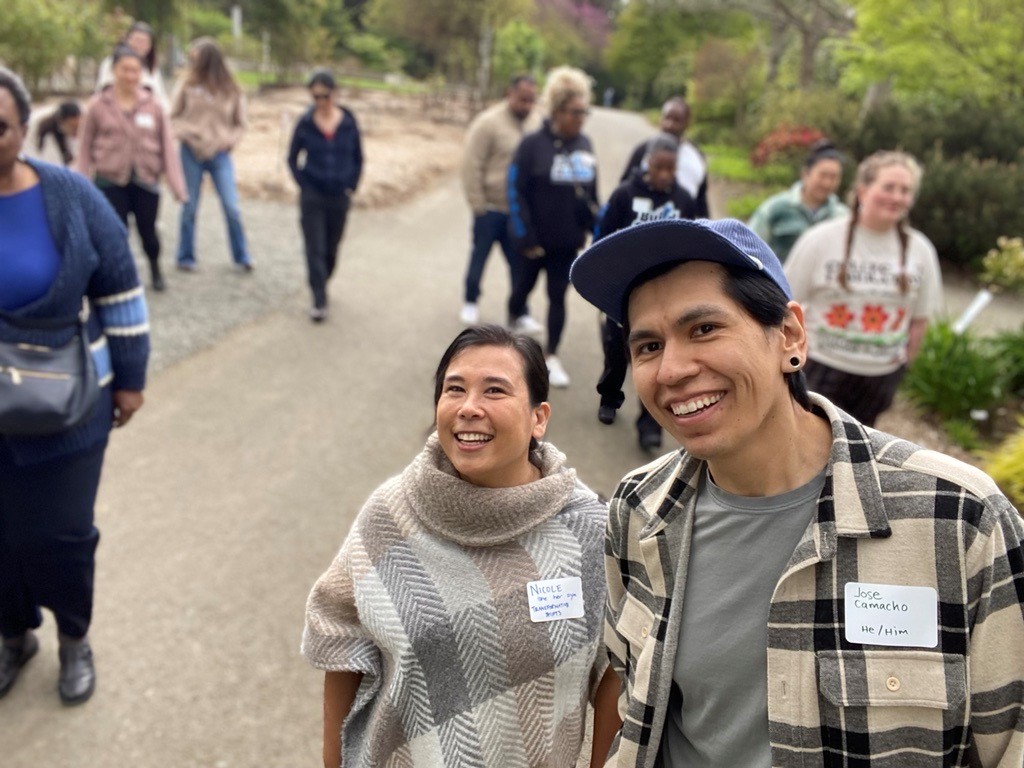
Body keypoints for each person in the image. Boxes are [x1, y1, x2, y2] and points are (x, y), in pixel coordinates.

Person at [569, 216, 1023, 767]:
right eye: (648, 346)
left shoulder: (958, 519)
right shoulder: (639, 509)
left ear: (789, 336)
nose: (672, 370)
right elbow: (628, 694)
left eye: (704, 328)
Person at [302, 324, 613, 768]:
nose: (469, 408)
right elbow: (341, 640)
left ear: (538, 418)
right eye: (455, 389)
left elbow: (614, 671)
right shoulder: (390, 516)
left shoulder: (589, 531)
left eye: (494, 390)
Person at [0, 67, 150, 705]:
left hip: (69, 406)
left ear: (23, 129)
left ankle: (74, 638)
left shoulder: (71, 196)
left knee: (62, 535)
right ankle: (13, 635)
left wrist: (131, 379)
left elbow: (119, 288)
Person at [784, 150, 943, 426]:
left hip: (880, 378)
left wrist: (902, 365)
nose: (897, 197)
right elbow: (785, 303)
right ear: (862, 190)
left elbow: (920, 319)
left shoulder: (921, 250)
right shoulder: (820, 240)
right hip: (822, 368)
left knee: (861, 445)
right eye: (888, 187)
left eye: (905, 190)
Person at [593, 133, 697, 451]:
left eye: (671, 169)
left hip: (665, 294)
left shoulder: (683, 199)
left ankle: (649, 425)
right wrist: (602, 277)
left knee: (656, 356)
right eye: (659, 167)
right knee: (616, 351)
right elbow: (602, 237)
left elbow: (691, 241)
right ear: (647, 163)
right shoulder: (625, 194)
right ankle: (610, 397)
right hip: (624, 290)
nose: (665, 175)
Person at [507, 65, 598, 388]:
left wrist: (596, 232)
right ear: (558, 111)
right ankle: (513, 325)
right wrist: (524, 235)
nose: (581, 118)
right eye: (575, 112)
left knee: (557, 297)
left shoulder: (585, 145)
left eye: (584, 112)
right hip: (533, 242)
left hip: (566, 243)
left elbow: (591, 195)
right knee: (521, 291)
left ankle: (551, 355)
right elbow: (515, 190)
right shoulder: (532, 144)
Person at [76, 45, 187, 292]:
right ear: (114, 71)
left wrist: (177, 186)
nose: (130, 76)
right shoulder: (98, 105)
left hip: (145, 179)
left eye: (135, 70)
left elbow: (168, 147)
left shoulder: (153, 105)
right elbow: (84, 147)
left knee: (148, 232)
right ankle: (121, 276)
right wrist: (80, 184)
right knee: (115, 232)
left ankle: (155, 268)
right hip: (109, 180)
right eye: (124, 70)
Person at [458, 74, 541, 328]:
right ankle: (470, 301)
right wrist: (478, 205)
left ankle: (520, 312)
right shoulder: (488, 123)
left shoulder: (536, 124)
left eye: (531, 100)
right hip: (490, 208)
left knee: (520, 265)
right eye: (522, 99)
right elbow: (471, 163)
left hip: (518, 212)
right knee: (479, 257)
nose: (527, 105)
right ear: (510, 93)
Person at [170, 37, 253, 274]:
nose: (191, 60)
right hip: (190, 151)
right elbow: (173, 115)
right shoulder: (187, 84)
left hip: (220, 153)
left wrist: (230, 141)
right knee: (189, 206)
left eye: (195, 56)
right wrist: (185, 134)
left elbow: (241, 123)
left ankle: (242, 255)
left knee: (231, 206)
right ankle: (185, 256)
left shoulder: (231, 89)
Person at [287, 69, 362, 322]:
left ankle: (322, 280)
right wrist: (303, 184)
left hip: (339, 196)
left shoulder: (348, 122)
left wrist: (352, 184)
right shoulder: (305, 123)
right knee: (314, 248)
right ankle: (319, 299)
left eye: (325, 96)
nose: (320, 101)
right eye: (315, 96)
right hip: (313, 196)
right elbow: (292, 158)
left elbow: (358, 157)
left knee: (331, 248)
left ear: (335, 93)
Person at [748, 140, 848, 262]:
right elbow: (749, 246)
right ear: (805, 174)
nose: (827, 183)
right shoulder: (775, 208)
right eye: (823, 175)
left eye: (834, 177)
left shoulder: (842, 216)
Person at [621, 97, 708, 218]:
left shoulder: (696, 158)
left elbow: (701, 202)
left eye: (677, 120)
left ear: (687, 124)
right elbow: (625, 189)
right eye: (667, 117)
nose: (669, 124)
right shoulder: (643, 151)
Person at [95, 20, 167, 104]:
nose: (140, 45)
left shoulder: (151, 67)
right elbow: (103, 90)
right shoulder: (110, 63)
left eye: (145, 42)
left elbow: (160, 97)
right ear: (127, 40)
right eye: (137, 40)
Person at [28, 101, 81, 166]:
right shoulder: (47, 135)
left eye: (79, 126)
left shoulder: (83, 119)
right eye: (73, 127)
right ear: (62, 123)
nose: (77, 131)